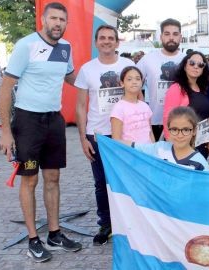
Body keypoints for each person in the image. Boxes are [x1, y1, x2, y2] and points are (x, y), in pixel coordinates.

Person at [0, 2, 82, 263]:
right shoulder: (26, 45)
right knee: (30, 179)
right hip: (28, 122)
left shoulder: (65, 48)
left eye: (62, 20)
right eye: (54, 18)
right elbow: (5, 88)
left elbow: (71, 77)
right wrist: (6, 132)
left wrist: (99, 77)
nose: (58, 23)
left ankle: (54, 234)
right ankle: (33, 239)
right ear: (44, 20)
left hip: (54, 121)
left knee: (53, 178)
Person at [74, 24, 135, 245]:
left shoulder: (128, 65)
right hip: (97, 134)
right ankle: (106, 224)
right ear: (96, 42)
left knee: (127, 180)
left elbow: (139, 97)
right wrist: (82, 138)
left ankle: (130, 222)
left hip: (126, 133)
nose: (107, 41)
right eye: (102, 38)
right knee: (101, 183)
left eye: (111, 38)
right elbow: (81, 106)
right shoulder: (87, 69)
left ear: (118, 42)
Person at [136, 18, 185, 141]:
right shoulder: (148, 59)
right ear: (161, 36)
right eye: (167, 34)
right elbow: (132, 85)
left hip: (182, 122)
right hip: (154, 121)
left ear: (180, 37)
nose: (171, 38)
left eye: (175, 34)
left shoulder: (187, 60)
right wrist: (141, 106)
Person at [122, 106, 209, 171]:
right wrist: (108, 143)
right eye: (174, 129)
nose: (180, 135)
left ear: (194, 131)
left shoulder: (200, 163)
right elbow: (133, 146)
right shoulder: (159, 148)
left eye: (186, 130)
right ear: (168, 130)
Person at [163, 51, 209, 158]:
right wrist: (173, 148)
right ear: (185, 66)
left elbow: (206, 117)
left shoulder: (203, 88)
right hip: (183, 146)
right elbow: (168, 118)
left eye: (200, 64)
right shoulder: (176, 88)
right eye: (192, 63)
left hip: (201, 145)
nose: (196, 67)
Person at [111, 66, 153, 144]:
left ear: (141, 83)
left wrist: (154, 150)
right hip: (130, 154)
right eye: (129, 79)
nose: (134, 82)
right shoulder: (119, 108)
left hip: (148, 153)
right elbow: (116, 140)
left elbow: (150, 132)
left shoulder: (145, 106)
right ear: (122, 83)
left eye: (138, 79)